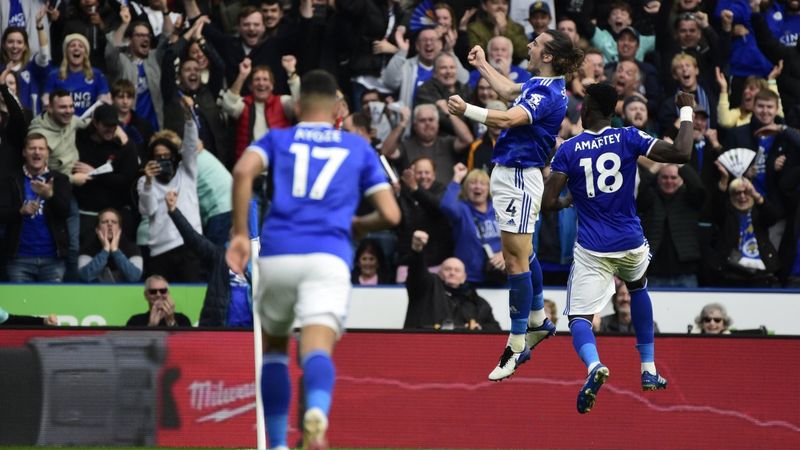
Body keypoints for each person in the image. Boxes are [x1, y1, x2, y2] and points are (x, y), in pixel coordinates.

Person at [225, 70, 400, 450]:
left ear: (298, 106)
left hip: (278, 255)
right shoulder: (357, 148)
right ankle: (316, 412)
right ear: (338, 108)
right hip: (328, 257)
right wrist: (357, 225)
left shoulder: (278, 138)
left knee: (274, 350)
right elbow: (391, 214)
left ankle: (275, 443)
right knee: (316, 350)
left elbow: (242, 171)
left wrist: (240, 233)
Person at [542, 84, 696, 413]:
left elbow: (548, 201)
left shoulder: (568, 150)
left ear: (584, 111)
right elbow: (682, 153)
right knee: (638, 287)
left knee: (579, 317)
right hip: (631, 242)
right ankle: (649, 369)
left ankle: (594, 365)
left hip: (594, 248)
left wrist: (570, 200)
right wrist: (686, 111)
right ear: (614, 112)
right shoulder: (628, 136)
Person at [447, 30, 583, 381]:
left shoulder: (550, 92)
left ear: (549, 55)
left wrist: (468, 110)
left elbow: (508, 118)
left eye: (536, 43)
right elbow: (510, 92)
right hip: (511, 174)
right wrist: (483, 67)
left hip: (521, 177)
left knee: (515, 259)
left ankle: (517, 342)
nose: (530, 46)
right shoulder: (540, 84)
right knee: (521, 253)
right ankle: (537, 319)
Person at [137, 96, 203, 282]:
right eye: (158, 156)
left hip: (189, 246)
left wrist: (189, 119)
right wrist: (149, 182)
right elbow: (147, 210)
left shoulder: (186, 171)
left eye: (167, 155)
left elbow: (190, 145)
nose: (163, 160)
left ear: (175, 156)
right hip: (160, 250)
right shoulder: (144, 181)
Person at [165, 191, 251, 327]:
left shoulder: (259, 263)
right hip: (219, 331)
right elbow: (193, 239)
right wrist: (174, 211)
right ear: (230, 235)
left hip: (251, 334)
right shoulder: (219, 256)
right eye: (235, 230)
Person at [0, 133, 71, 282]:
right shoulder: (11, 180)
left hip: (53, 259)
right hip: (19, 259)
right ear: (24, 152)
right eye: (32, 148)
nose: (37, 152)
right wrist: (20, 211)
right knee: (19, 306)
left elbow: (65, 212)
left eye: (41, 148)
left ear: (47, 153)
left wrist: (50, 195)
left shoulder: (60, 179)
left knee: (52, 305)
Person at [404, 230, 500, 331]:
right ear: (440, 273)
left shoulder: (478, 303)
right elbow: (416, 273)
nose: (452, 273)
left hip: (462, 346)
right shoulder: (428, 287)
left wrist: (480, 329)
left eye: (457, 270)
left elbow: (495, 330)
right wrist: (417, 251)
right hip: (422, 344)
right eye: (447, 269)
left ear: (464, 277)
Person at [78, 208, 143, 283]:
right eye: (105, 222)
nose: (109, 224)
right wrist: (105, 250)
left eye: (114, 222)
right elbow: (85, 276)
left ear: (120, 230)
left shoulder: (132, 248)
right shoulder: (87, 248)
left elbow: (134, 276)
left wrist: (115, 250)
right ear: (97, 229)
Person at [126, 274, 192, 327]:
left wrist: (171, 321)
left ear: (168, 293)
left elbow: (183, 342)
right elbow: (132, 343)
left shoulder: (183, 320)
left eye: (163, 291)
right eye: (153, 291)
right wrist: (151, 327)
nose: (158, 295)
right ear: (146, 295)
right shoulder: (135, 321)